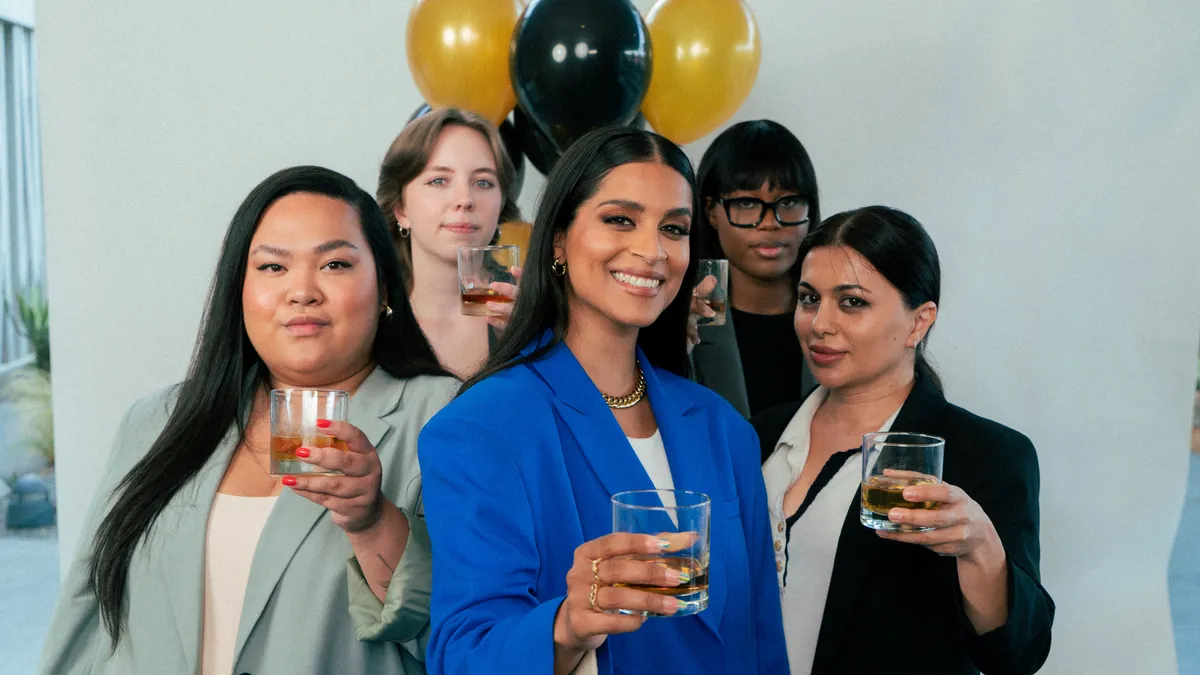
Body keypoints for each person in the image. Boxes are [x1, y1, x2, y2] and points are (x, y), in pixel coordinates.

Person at [39, 166, 458, 675]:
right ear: (238, 291)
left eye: (334, 264)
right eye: (272, 268)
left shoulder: (446, 417)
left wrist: (371, 524)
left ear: (385, 286)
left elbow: (467, 640)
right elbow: (88, 620)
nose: (302, 291)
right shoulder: (157, 421)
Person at [417, 127, 788, 674]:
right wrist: (566, 626)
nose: (651, 250)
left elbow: (763, 643)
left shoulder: (724, 429)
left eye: (673, 228)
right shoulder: (479, 428)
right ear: (560, 240)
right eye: (620, 219)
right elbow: (463, 654)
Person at [752, 206, 1055, 674]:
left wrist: (979, 548)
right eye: (809, 298)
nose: (819, 323)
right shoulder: (759, 433)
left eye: (851, 302)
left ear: (919, 321)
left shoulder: (985, 453)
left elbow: (1015, 654)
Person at [377, 107, 523, 378]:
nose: (465, 199)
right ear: (400, 209)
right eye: (439, 180)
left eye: (483, 182)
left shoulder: (540, 313)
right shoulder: (367, 320)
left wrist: (529, 347)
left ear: (502, 203)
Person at [691, 120, 820, 418]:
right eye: (747, 203)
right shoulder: (681, 318)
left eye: (789, 202)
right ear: (711, 211)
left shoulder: (840, 314)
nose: (770, 222)